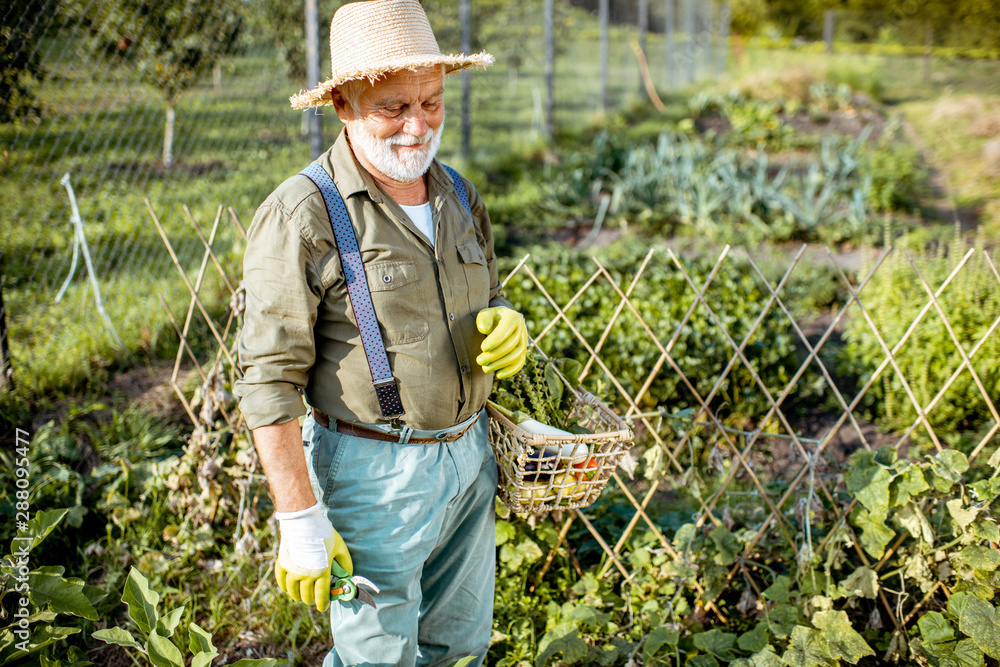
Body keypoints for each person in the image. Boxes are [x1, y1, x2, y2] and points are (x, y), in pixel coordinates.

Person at [234, 1, 528, 666]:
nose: (418, 124)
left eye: (431, 100)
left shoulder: (457, 193)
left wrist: (510, 319)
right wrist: (301, 521)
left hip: (469, 454)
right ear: (343, 103)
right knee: (379, 657)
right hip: (375, 470)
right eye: (393, 106)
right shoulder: (302, 213)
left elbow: (493, 291)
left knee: (461, 644)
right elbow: (268, 380)